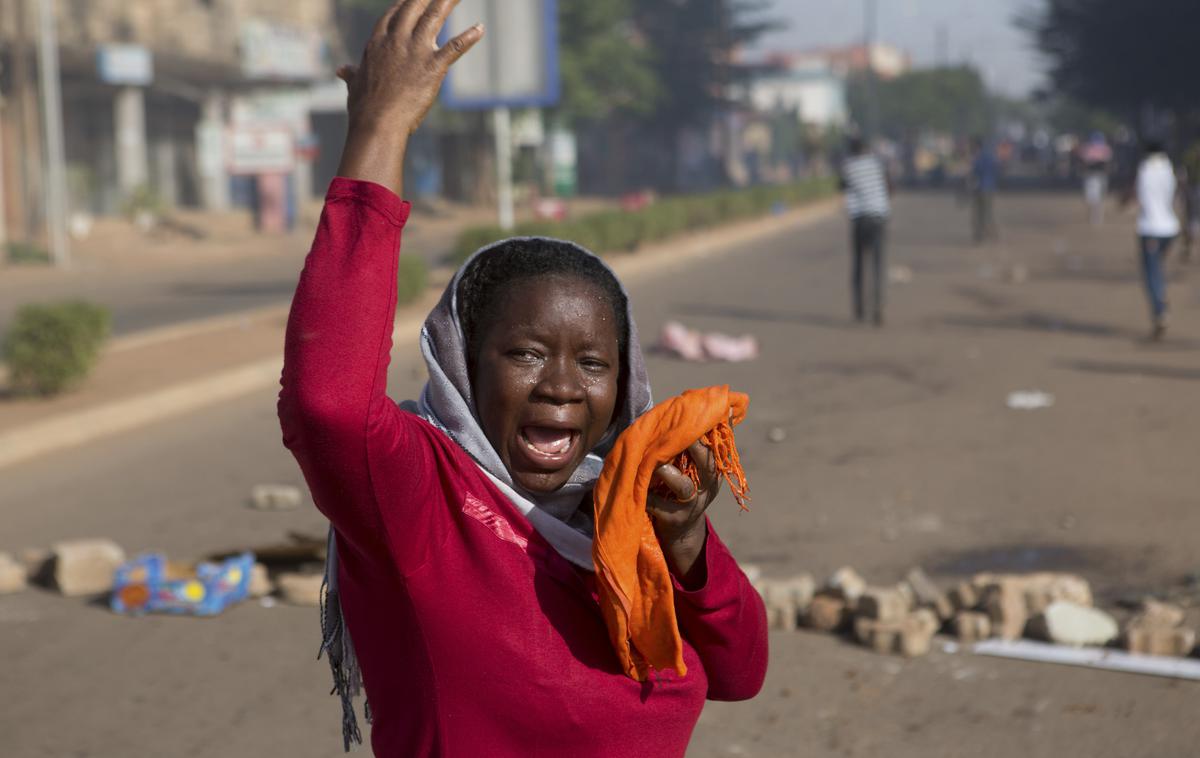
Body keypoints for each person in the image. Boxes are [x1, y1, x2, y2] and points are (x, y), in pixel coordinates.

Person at [276, 2, 768, 755]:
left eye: (593, 363)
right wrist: (380, 132)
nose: (563, 387)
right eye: (526, 354)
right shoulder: (419, 494)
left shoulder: (631, 500)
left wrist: (691, 546)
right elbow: (328, 400)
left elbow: (741, 671)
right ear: (464, 367)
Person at [1129, 137, 1180, 339]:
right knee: (1157, 268)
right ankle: (1160, 303)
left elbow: (1144, 198)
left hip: (1151, 228)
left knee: (1151, 273)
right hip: (1170, 228)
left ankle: (1160, 309)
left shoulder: (1146, 170)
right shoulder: (1169, 168)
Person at [839, 135, 891, 325]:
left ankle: (859, 307)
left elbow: (841, 186)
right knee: (878, 265)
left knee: (859, 264)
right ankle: (878, 307)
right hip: (878, 216)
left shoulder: (848, 166)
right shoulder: (877, 163)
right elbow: (889, 185)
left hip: (860, 219)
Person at [967, 137, 1000, 243]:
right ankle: (991, 233)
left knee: (978, 213)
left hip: (980, 188)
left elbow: (974, 173)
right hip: (989, 188)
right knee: (987, 212)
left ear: (976, 145)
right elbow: (996, 169)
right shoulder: (989, 156)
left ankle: (980, 235)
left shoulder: (978, 157)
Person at [1079, 132, 1112, 225]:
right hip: (1092, 176)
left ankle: (1096, 217)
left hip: (1098, 176)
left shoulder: (1104, 149)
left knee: (1098, 198)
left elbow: (1107, 164)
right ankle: (1094, 216)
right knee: (1092, 198)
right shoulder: (1088, 149)